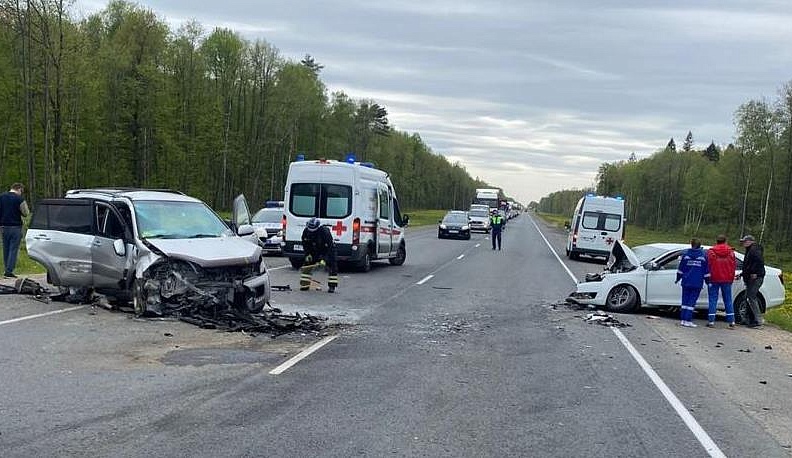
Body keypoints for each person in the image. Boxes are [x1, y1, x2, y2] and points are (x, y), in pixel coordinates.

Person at [675, 238, 709, 328]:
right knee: (691, 302)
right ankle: (688, 320)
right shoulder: (704, 256)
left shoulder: (685, 254)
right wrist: (708, 281)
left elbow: (680, 269)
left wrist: (678, 278)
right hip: (697, 282)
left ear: (691, 244)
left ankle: (683, 319)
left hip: (686, 281)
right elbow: (706, 271)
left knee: (685, 301)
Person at [300, 217, 339, 293]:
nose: (311, 230)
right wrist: (307, 254)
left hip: (327, 251)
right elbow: (305, 244)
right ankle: (305, 285)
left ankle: (332, 286)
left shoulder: (324, 232)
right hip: (314, 251)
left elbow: (330, 248)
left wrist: (324, 259)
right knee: (306, 265)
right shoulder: (306, 231)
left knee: (332, 266)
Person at [706, 235, 737, 328]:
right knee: (728, 300)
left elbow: (708, 265)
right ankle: (731, 321)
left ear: (717, 241)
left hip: (714, 278)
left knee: (713, 299)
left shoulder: (711, 252)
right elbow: (733, 266)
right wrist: (731, 277)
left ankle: (711, 321)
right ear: (725, 241)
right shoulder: (731, 252)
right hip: (727, 279)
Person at [0, 183, 30, 278]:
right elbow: (26, 212)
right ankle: (9, 271)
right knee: (13, 249)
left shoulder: (2, 197)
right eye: (21, 191)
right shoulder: (19, 199)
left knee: (6, 248)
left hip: (3, 226)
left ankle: (6, 268)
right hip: (15, 226)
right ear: (19, 189)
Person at [739, 235, 765, 327]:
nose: (743, 243)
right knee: (747, 297)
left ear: (750, 241)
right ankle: (746, 318)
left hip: (755, 278)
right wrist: (743, 274)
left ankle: (758, 321)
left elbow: (759, 261)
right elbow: (748, 265)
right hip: (751, 277)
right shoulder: (750, 249)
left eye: (744, 241)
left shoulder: (754, 249)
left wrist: (754, 273)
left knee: (751, 297)